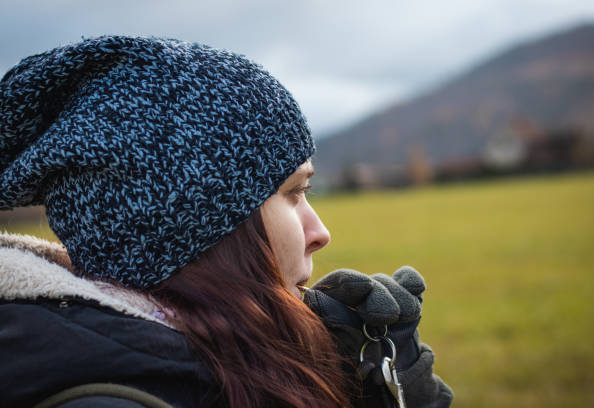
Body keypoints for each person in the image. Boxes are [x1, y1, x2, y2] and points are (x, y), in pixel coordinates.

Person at [0, 36, 453, 407]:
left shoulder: (195, 367)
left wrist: (376, 383)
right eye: (293, 193)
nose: (320, 234)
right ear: (189, 224)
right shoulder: (116, 399)